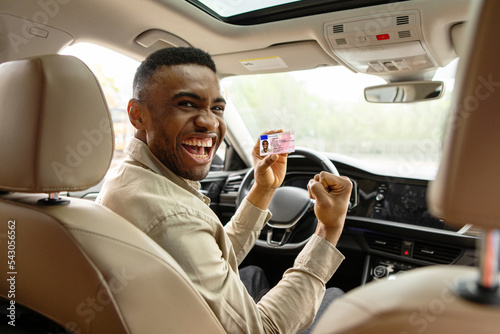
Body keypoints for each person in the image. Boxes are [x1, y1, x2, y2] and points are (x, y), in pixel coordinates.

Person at [96, 47, 352, 334]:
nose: (209, 122)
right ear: (137, 115)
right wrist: (328, 230)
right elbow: (262, 330)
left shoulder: (125, 178)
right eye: (187, 104)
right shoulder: (172, 218)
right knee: (338, 301)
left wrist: (263, 189)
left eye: (217, 108)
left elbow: (207, 253)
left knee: (252, 275)